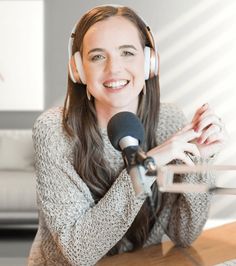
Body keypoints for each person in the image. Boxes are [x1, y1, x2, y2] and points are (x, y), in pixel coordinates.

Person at [28, 5, 227, 266]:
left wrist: (198, 162)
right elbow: (78, 252)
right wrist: (147, 167)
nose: (114, 69)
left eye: (127, 52)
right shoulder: (55, 131)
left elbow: (184, 235)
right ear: (79, 69)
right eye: (98, 57)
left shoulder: (168, 122)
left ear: (148, 62)